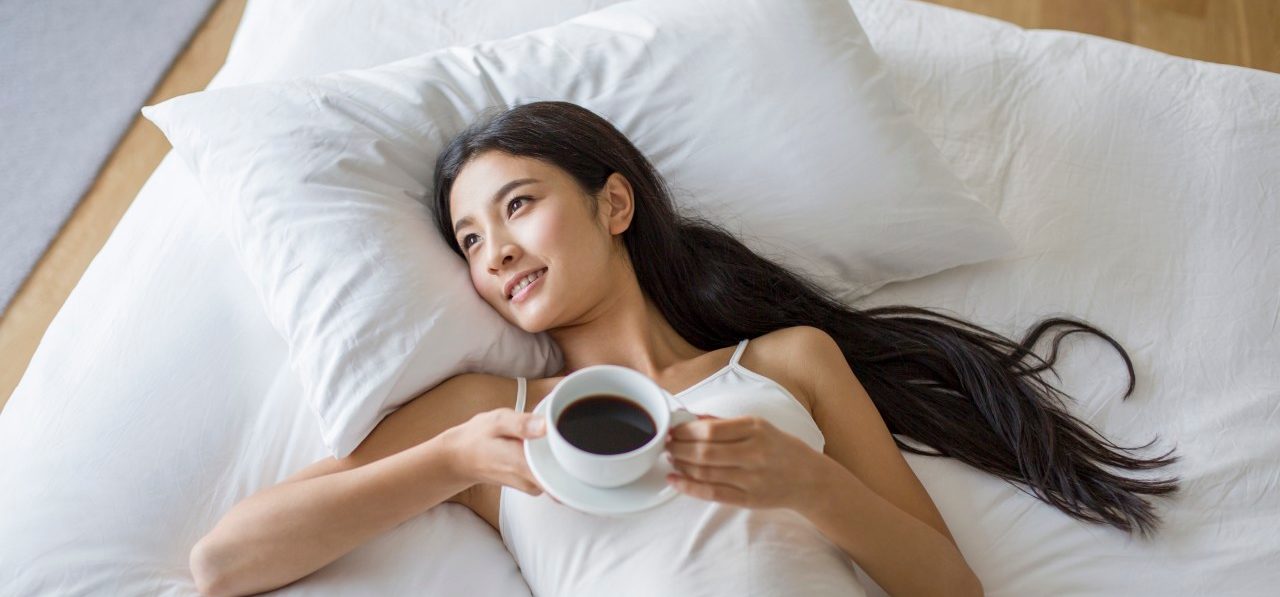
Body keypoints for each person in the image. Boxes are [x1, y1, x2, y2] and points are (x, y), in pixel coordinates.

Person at [188, 101, 1180, 597]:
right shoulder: (489, 416)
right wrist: (447, 461)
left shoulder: (787, 363)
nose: (495, 256)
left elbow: (948, 590)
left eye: (517, 207)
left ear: (610, 202)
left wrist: (806, 483)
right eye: (471, 243)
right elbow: (224, 562)